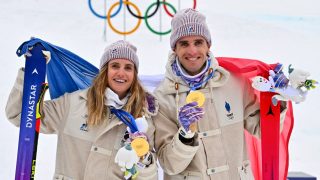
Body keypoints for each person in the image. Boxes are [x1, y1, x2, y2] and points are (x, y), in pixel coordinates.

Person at [153, 8, 288, 179]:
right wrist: (185, 136)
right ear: (175, 48)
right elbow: (170, 165)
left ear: (208, 45)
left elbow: (263, 131)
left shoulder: (234, 82)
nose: (192, 51)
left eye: (198, 42)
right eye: (184, 44)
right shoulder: (163, 97)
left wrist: (277, 100)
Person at [6, 40, 159, 180]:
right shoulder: (72, 104)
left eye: (128, 67)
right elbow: (19, 115)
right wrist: (32, 72)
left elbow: (148, 177)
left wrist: (143, 156)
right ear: (105, 71)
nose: (121, 73)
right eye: (115, 66)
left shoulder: (141, 118)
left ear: (134, 74)